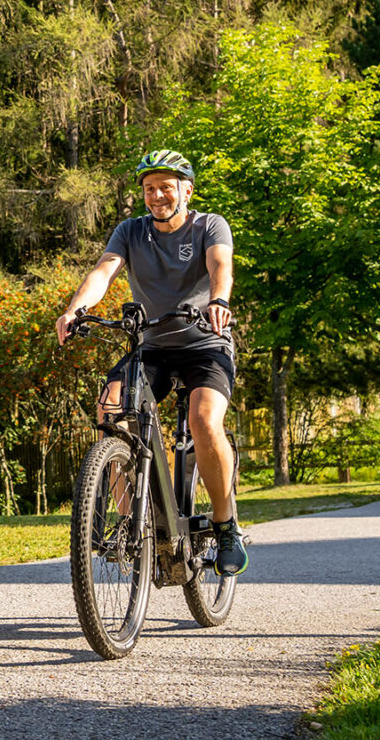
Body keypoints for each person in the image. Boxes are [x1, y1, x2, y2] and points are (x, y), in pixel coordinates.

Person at [53, 150, 247, 577]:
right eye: (149, 188)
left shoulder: (209, 225)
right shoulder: (130, 231)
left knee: (203, 421)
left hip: (205, 343)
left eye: (165, 187)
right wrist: (75, 309)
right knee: (110, 407)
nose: (157, 195)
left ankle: (225, 522)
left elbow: (220, 265)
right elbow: (104, 271)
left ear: (186, 190)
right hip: (153, 347)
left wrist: (219, 300)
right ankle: (132, 524)